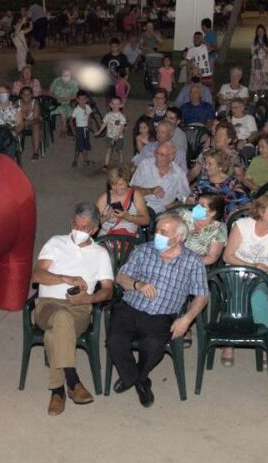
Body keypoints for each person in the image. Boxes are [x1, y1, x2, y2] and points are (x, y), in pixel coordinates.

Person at [108, 212, 208, 407]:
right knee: (114, 342)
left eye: (164, 232)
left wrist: (187, 319)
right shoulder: (143, 251)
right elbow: (121, 277)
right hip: (130, 308)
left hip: (162, 316)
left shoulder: (193, 261)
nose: (157, 235)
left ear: (179, 237)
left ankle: (134, 377)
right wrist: (137, 284)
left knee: (153, 346)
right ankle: (139, 380)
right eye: (157, 231)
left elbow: (202, 295)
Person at [32, 203, 115, 415]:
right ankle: (73, 380)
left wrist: (88, 298)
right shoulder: (55, 243)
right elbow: (37, 275)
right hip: (48, 305)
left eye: (85, 227)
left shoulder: (100, 254)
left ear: (95, 229)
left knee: (53, 336)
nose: (79, 231)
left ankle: (57, 391)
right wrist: (64, 278)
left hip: (79, 309)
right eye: (76, 225)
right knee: (60, 316)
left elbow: (108, 290)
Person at [222, 194, 268, 364]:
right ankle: (229, 342)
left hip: (265, 274)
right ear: (261, 211)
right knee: (235, 296)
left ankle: (265, 341)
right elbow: (228, 256)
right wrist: (253, 265)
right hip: (239, 271)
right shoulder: (242, 226)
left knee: (259, 296)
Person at [130, 141, 189, 215]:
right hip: (140, 206)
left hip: (163, 212)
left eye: (162, 155)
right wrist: (150, 191)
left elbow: (185, 198)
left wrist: (174, 205)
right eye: (156, 153)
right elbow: (132, 189)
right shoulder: (145, 164)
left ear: (171, 157)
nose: (157, 157)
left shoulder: (179, 173)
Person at [189, 149, 251, 215]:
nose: (206, 167)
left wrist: (235, 212)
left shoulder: (232, 183)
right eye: (205, 163)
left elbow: (248, 205)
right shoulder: (203, 184)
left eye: (210, 164)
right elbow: (190, 200)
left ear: (220, 167)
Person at [96, 165, 150, 238]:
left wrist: (128, 217)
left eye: (120, 184)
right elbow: (93, 222)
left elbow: (146, 220)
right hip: (107, 235)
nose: (117, 188)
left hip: (128, 238)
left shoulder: (135, 195)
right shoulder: (105, 197)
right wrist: (107, 217)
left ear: (127, 182)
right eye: (113, 185)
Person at [180, 194, 228, 266]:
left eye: (202, 206)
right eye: (197, 204)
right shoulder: (185, 215)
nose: (196, 207)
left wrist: (188, 261)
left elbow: (212, 257)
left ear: (212, 213)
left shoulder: (219, 229)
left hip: (195, 265)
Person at [95, 97, 127, 167]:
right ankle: (106, 163)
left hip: (119, 137)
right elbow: (104, 124)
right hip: (109, 136)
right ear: (110, 105)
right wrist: (99, 131)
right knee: (109, 149)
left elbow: (122, 127)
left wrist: (118, 135)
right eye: (113, 104)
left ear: (121, 105)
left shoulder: (121, 116)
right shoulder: (108, 115)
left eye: (117, 104)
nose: (115, 106)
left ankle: (121, 161)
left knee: (119, 150)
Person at [71, 90, 94, 167]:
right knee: (78, 146)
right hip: (79, 129)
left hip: (86, 129)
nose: (82, 101)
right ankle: (75, 160)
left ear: (86, 99)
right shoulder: (76, 110)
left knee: (85, 145)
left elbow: (89, 116)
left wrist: (89, 124)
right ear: (77, 100)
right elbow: (71, 121)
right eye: (80, 99)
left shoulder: (88, 107)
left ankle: (86, 160)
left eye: (84, 99)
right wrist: (74, 131)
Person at [249, 26, 268, 93]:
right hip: (257, 61)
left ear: (264, 32)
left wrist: (264, 47)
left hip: (265, 61)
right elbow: (252, 52)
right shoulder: (254, 41)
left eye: (261, 31)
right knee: (257, 76)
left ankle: (262, 93)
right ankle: (256, 93)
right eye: (258, 31)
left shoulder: (267, 41)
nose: (260, 33)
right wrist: (258, 47)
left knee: (264, 76)